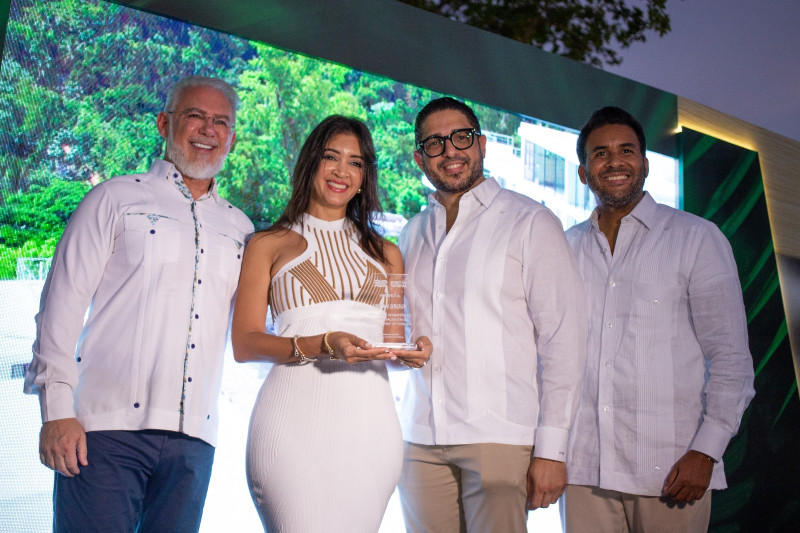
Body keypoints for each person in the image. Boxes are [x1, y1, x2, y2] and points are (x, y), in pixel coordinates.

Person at [22, 75, 253, 532]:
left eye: (221, 122)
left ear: (231, 137)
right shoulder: (113, 198)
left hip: (194, 444)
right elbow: (59, 310)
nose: (208, 129)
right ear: (164, 123)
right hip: (101, 434)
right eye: (195, 116)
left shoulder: (241, 228)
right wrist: (57, 413)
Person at [231, 115, 432, 532]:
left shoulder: (387, 254)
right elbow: (245, 344)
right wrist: (322, 343)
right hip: (291, 427)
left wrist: (412, 354)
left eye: (355, 163)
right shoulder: (268, 245)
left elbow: (392, 345)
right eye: (331, 157)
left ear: (365, 176)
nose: (342, 171)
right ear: (311, 163)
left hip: (370, 431)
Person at [396, 97, 588, 532]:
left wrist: (552, 450)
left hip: (498, 438)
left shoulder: (530, 222)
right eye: (434, 142)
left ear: (482, 144)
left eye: (461, 137)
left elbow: (564, 341)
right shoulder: (412, 232)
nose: (450, 150)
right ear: (418, 157)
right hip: (420, 438)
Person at [562, 106, 755, 532]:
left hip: (672, 469)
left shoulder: (697, 238)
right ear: (582, 172)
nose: (614, 161)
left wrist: (706, 451)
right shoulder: (564, 248)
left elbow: (730, 360)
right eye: (600, 154)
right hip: (583, 470)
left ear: (645, 164)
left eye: (626, 150)